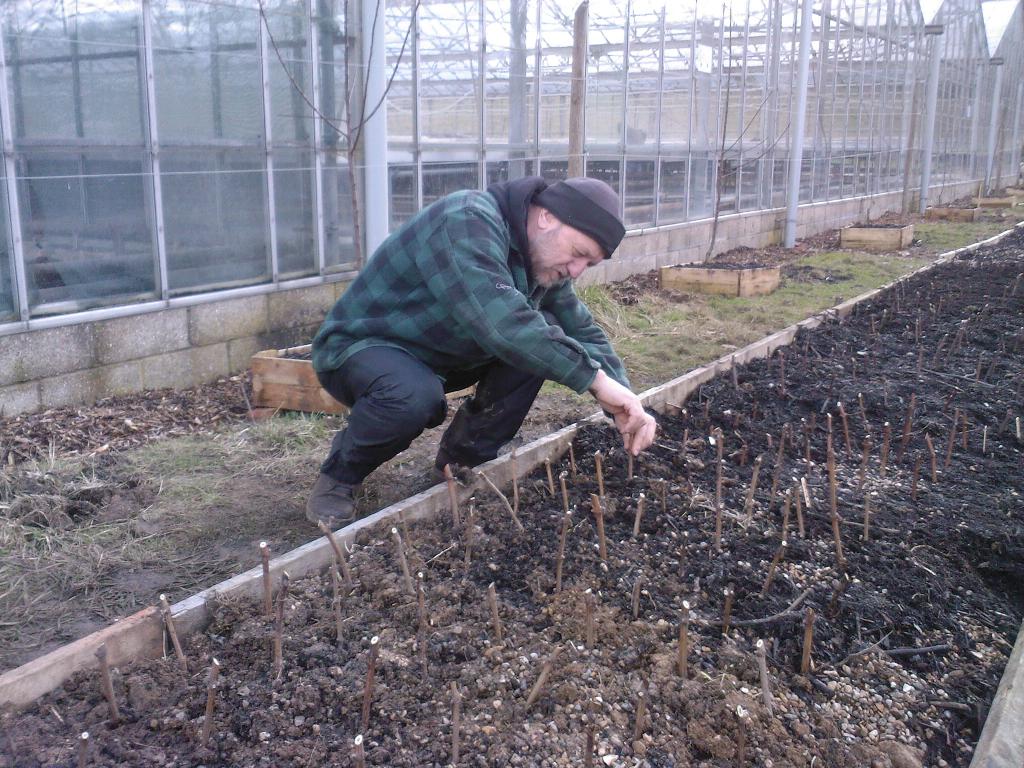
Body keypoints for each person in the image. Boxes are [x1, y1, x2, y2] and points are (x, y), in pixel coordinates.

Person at [306, 175, 658, 528]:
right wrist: (594, 380)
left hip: (442, 356)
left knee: (543, 339)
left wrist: (625, 400)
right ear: (547, 217)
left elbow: (580, 329)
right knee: (413, 396)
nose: (576, 271)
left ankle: (458, 463)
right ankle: (340, 477)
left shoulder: (541, 261)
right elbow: (502, 323)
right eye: (579, 254)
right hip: (364, 347)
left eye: (589, 265)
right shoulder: (465, 220)